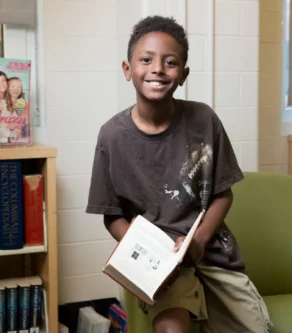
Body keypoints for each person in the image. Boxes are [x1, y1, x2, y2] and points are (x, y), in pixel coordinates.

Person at [86, 15, 273, 333]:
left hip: (211, 253)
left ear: (183, 75)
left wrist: (199, 239)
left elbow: (223, 193)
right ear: (128, 69)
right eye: (146, 59)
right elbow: (112, 215)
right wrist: (150, 255)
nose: (157, 69)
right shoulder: (112, 136)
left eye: (170, 62)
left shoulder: (204, 119)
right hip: (161, 264)